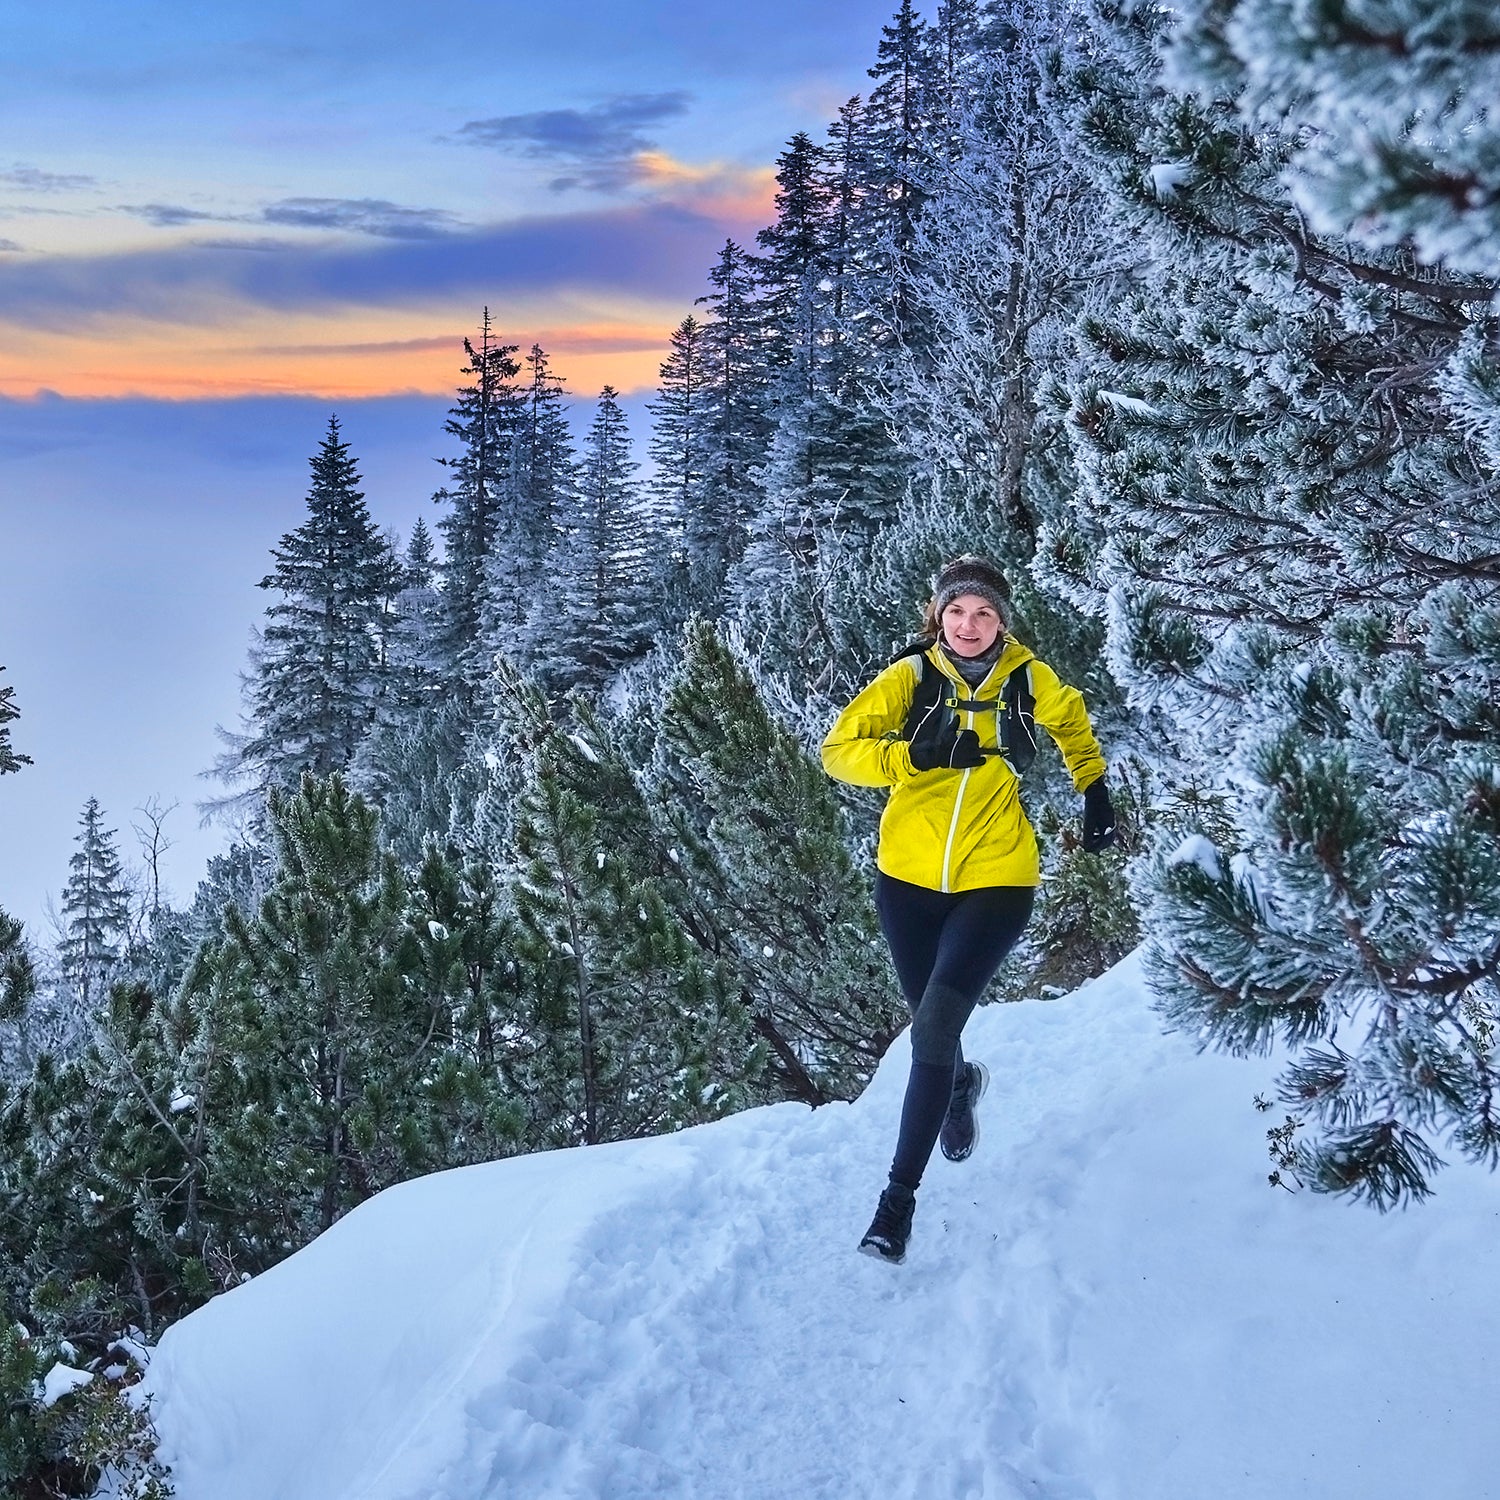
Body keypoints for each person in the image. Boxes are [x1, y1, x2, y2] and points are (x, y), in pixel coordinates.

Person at [821, 555, 1116, 1264]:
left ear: (1002, 621)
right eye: (957, 611)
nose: (970, 624)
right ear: (939, 616)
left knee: (933, 1029)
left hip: (998, 881)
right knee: (932, 1028)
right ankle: (959, 1085)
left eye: (984, 612)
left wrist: (1095, 788)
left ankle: (895, 1205)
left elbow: (1072, 725)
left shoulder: (1027, 678)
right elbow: (837, 751)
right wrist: (908, 759)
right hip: (907, 884)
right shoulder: (912, 677)